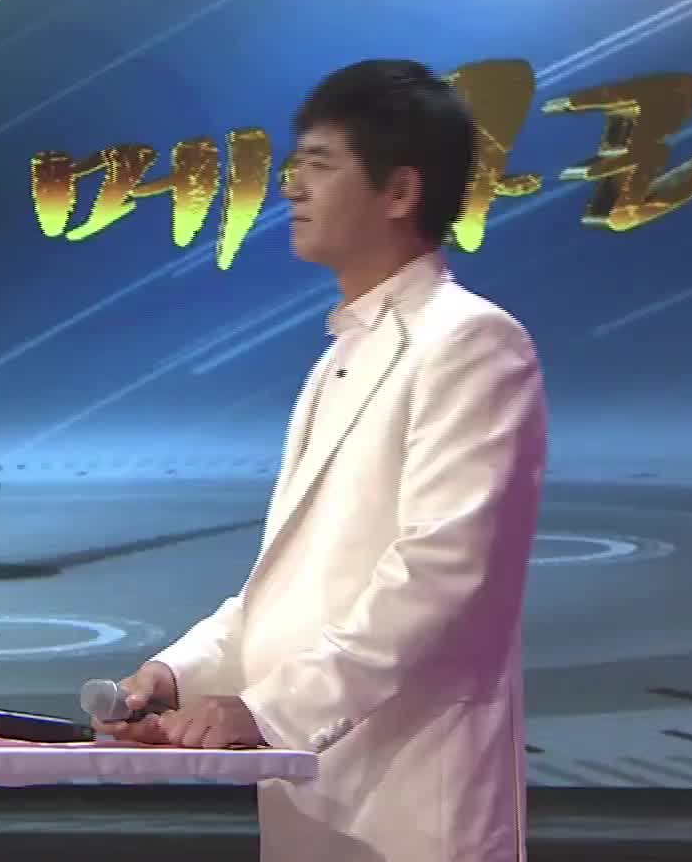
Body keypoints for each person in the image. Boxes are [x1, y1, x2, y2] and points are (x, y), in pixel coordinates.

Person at [94, 59, 548, 862]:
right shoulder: (339, 355)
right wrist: (176, 676)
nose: (292, 187)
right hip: (310, 795)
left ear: (399, 192)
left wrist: (267, 711)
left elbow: (439, 576)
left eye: (319, 164)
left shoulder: (472, 342)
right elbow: (286, 591)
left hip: (413, 804)